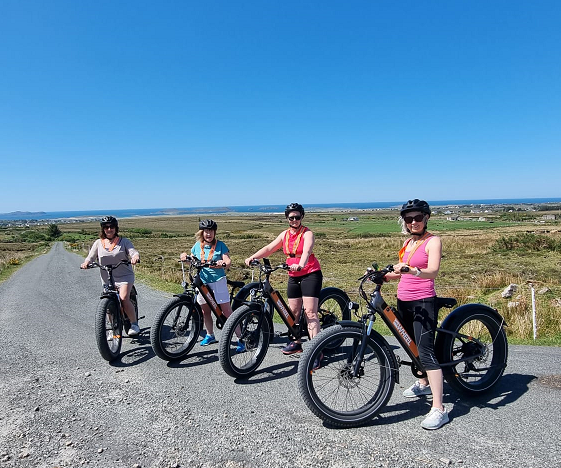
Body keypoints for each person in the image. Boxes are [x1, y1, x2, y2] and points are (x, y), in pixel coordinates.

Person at [385, 199, 448, 430]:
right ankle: (423, 383)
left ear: (426, 218)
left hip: (423, 301)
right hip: (403, 300)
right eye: (409, 219)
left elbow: (432, 271)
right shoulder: (408, 243)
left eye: (418, 218)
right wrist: (382, 275)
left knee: (426, 352)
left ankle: (439, 408)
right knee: (411, 345)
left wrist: (412, 270)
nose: (413, 222)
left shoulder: (433, 241)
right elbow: (400, 272)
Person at [245, 203, 323, 364]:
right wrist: (253, 257)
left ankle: (316, 351)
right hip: (293, 275)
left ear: (302, 217)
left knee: (310, 313)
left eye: (297, 217)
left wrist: (301, 264)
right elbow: (269, 248)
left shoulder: (307, 233)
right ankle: (296, 342)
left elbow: (307, 251)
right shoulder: (285, 235)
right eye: (291, 217)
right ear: (287, 218)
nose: (294, 220)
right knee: (293, 312)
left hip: (310, 273)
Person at [81, 216, 141, 336]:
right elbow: (90, 257)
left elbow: (133, 252)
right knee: (108, 305)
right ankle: (113, 328)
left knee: (123, 298)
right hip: (107, 278)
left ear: (116, 228)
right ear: (103, 229)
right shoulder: (98, 243)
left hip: (124, 276)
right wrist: (86, 263)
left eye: (112, 227)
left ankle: (134, 324)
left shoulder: (124, 242)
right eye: (106, 227)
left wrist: (135, 257)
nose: (109, 229)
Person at [180, 219, 234, 346]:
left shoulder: (221, 245)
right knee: (205, 311)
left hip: (218, 281)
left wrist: (223, 263)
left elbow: (228, 261)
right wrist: (184, 256)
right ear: (202, 233)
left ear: (215, 232)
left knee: (226, 311)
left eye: (211, 231)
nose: (208, 234)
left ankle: (241, 337)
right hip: (202, 282)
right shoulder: (197, 245)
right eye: (206, 231)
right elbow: (192, 259)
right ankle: (210, 335)